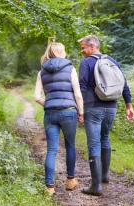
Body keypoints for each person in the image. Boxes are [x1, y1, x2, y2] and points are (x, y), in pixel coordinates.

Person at [78, 35, 134, 196]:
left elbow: (82, 86)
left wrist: (80, 109)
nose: (82, 51)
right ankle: (104, 176)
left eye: (83, 48)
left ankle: (95, 186)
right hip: (111, 107)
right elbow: (124, 85)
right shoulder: (112, 61)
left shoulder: (87, 62)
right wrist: (129, 106)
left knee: (93, 143)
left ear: (92, 46)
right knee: (105, 138)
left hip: (93, 108)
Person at [34, 42, 84, 196]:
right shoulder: (70, 68)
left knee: (52, 150)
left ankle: (49, 187)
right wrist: (81, 112)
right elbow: (77, 94)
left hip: (50, 113)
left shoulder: (42, 71)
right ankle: (70, 181)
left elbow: (36, 97)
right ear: (62, 52)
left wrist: (47, 103)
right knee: (70, 145)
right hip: (68, 111)